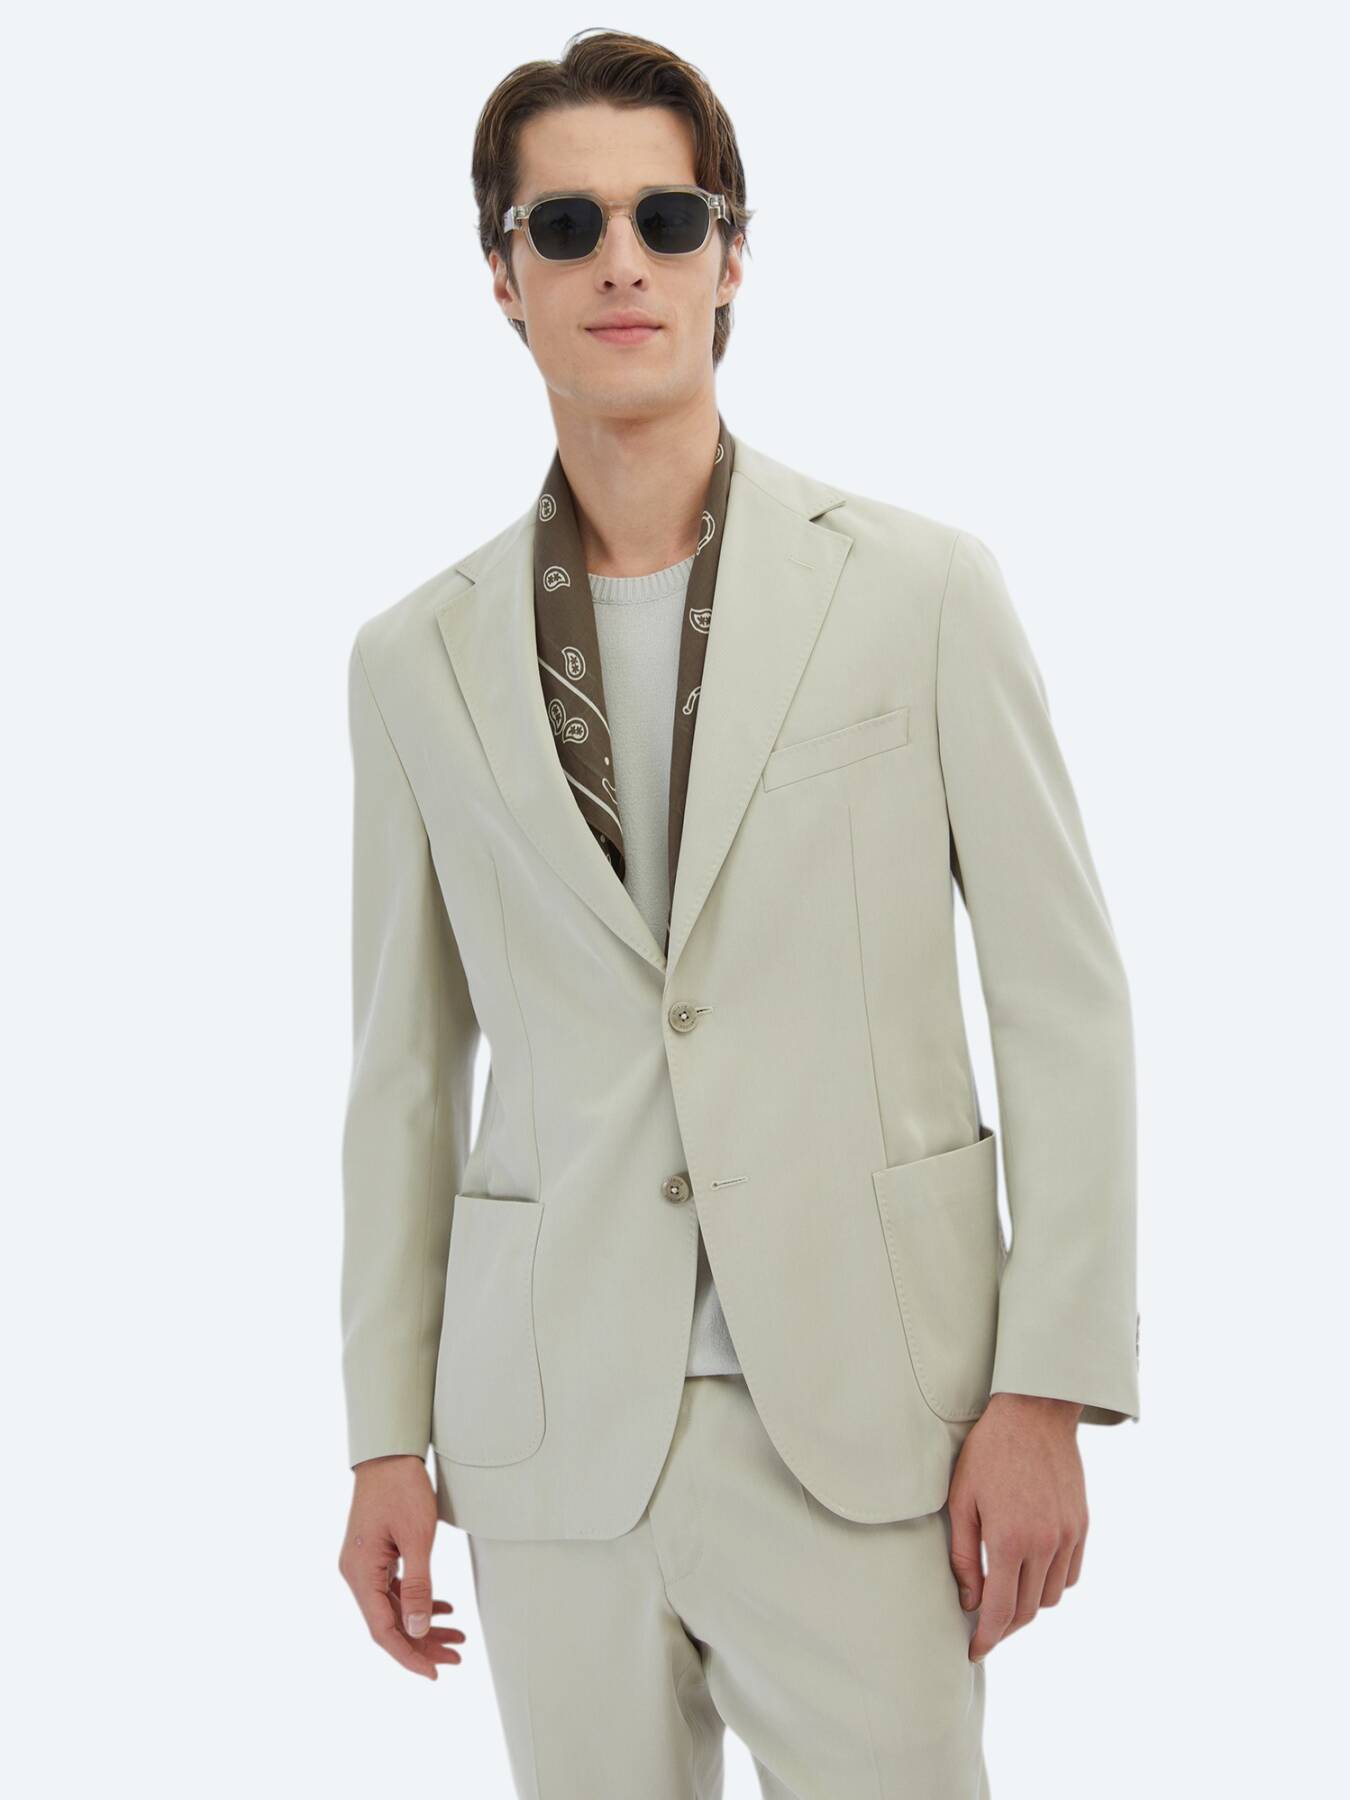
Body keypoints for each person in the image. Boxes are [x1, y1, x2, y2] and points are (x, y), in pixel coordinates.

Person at [336, 27, 1140, 1798]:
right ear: (502, 277)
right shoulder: (412, 660)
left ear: (730, 256)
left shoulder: (918, 591)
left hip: (868, 1426)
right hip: (549, 1435)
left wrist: (1048, 1388)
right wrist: (383, 1435)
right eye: (564, 225)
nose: (620, 259)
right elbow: (402, 1071)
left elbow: (1062, 1006)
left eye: (668, 216)